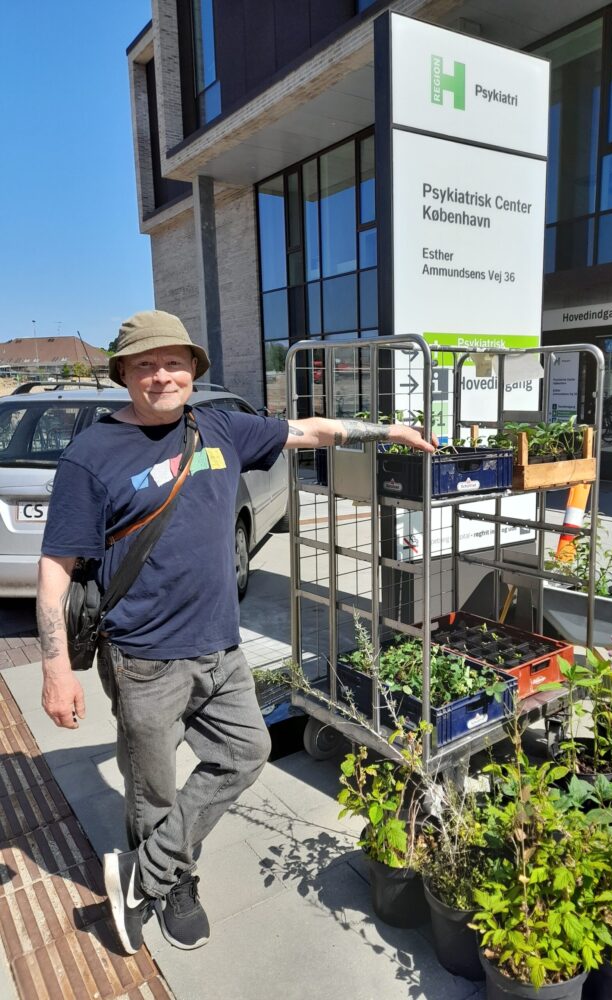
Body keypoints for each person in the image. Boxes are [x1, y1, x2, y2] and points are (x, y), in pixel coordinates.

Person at [37, 310, 434, 956]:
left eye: (173, 362)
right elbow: (54, 571)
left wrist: (386, 428)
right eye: (145, 364)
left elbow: (310, 429)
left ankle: (143, 873)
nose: (161, 375)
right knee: (151, 791)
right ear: (124, 374)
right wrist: (56, 670)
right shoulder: (92, 456)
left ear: (193, 369)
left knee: (247, 752)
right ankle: (171, 883)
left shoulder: (218, 425)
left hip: (221, 647)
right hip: (143, 660)